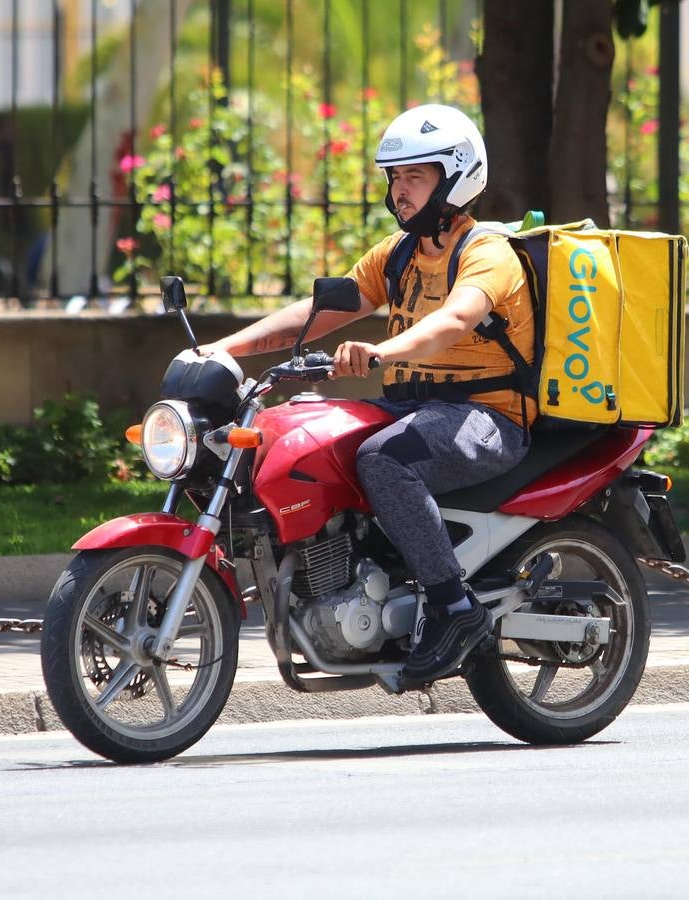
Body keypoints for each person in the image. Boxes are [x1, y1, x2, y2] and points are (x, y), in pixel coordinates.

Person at [201, 104, 535, 688]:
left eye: (416, 178)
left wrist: (382, 353)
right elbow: (320, 310)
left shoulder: (488, 253)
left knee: (384, 459)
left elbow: (454, 321)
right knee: (295, 431)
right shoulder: (399, 254)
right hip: (416, 407)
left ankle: (452, 605)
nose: (400, 192)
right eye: (395, 178)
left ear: (455, 180)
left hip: (487, 416)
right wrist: (222, 350)